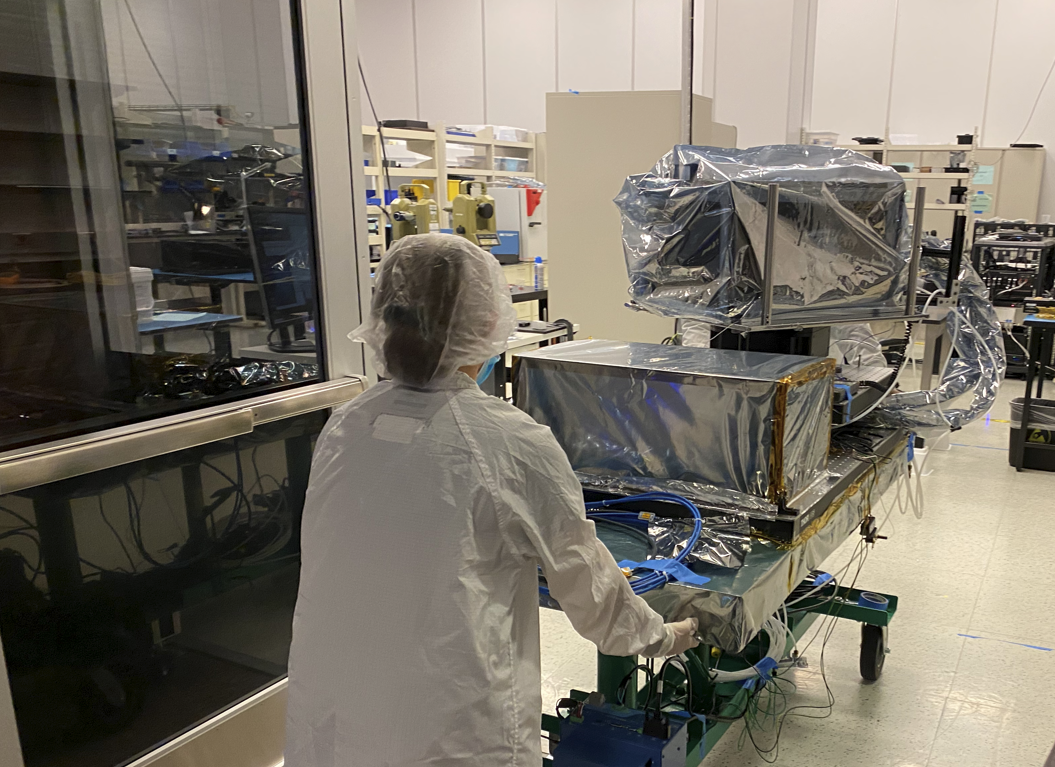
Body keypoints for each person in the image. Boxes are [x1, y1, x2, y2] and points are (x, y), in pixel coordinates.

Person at [284, 234, 698, 767]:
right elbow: (595, 600)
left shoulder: (345, 425)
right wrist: (665, 635)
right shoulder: (510, 444)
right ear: (487, 325)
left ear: (384, 320)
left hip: (338, 714)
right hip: (452, 729)